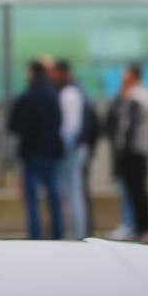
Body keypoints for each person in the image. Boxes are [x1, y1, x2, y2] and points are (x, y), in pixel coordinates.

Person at [9, 61, 64, 239]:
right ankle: (57, 234)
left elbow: (14, 125)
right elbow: (59, 122)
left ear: (32, 73)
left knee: (32, 199)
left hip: (31, 154)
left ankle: (35, 236)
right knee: (53, 197)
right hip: (51, 153)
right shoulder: (54, 96)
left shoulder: (27, 97)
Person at [105, 64, 148, 241]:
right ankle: (141, 227)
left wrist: (122, 148)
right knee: (137, 190)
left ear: (133, 76)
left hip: (133, 151)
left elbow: (128, 127)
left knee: (136, 191)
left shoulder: (136, 97)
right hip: (141, 149)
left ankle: (141, 227)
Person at [52, 59, 93, 239]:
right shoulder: (76, 91)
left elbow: (70, 128)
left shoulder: (69, 93)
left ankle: (77, 233)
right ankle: (77, 232)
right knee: (73, 192)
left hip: (72, 149)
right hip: (78, 147)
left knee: (73, 192)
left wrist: (64, 149)